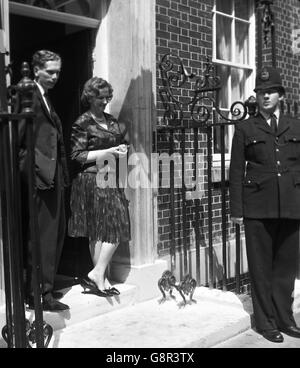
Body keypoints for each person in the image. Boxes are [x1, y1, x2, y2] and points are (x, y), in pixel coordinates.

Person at [229, 66, 300, 343]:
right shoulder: (246, 127)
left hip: (292, 205)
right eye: (260, 92)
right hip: (257, 206)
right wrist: (236, 210)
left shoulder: (296, 125)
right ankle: (265, 322)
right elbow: (236, 171)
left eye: (270, 91)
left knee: (286, 268)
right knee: (260, 267)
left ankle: (285, 318)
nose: (265, 96)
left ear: (281, 95)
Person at [68, 77, 130, 297]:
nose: (104, 102)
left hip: (110, 177)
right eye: (100, 98)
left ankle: (97, 274)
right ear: (90, 97)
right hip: (90, 179)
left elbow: (120, 145)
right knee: (98, 229)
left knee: (116, 224)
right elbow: (76, 156)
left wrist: (122, 149)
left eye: (107, 97)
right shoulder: (82, 122)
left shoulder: (112, 121)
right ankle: (100, 279)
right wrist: (107, 153)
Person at [19, 50, 69, 311]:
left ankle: (45, 287)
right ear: (36, 69)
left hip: (53, 175)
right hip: (40, 176)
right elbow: (18, 141)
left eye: (58, 72)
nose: (55, 76)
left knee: (56, 233)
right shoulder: (27, 94)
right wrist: (33, 169)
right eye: (50, 71)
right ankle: (38, 294)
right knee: (42, 236)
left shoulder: (46, 97)